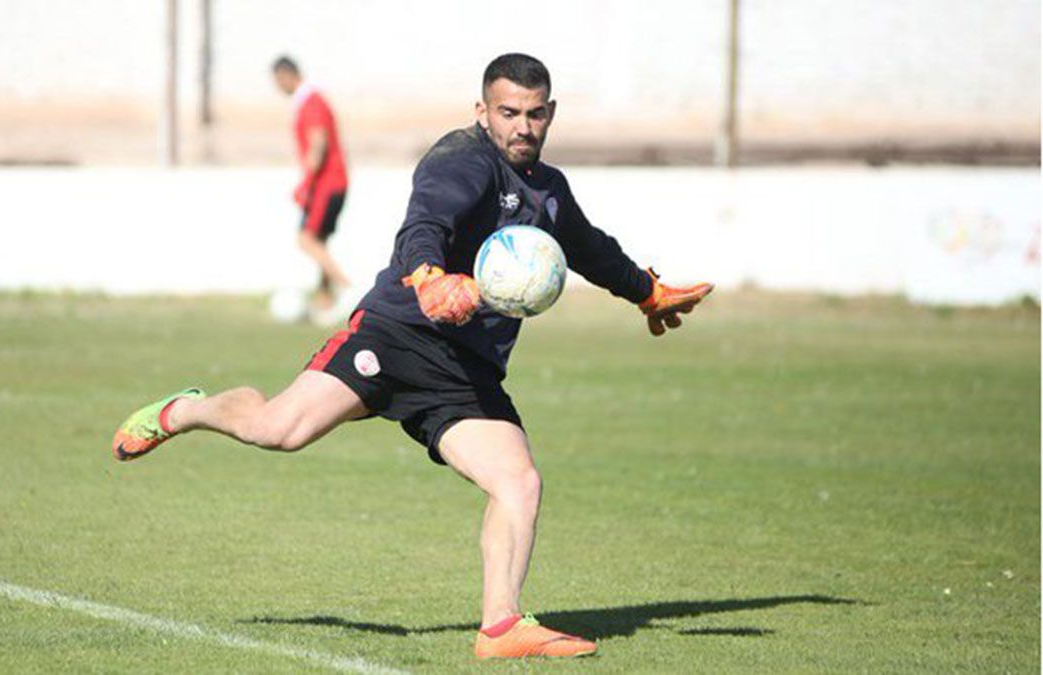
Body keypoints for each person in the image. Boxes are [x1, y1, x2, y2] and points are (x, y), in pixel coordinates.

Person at [113, 53, 713, 659]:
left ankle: (501, 627)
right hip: (396, 336)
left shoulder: (549, 190)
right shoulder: (461, 159)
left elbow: (588, 248)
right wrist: (428, 276)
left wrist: (647, 292)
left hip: (465, 371)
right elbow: (426, 221)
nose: (522, 126)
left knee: (518, 481)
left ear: (550, 113)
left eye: (534, 114)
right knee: (278, 430)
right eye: (508, 113)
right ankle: (185, 411)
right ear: (482, 111)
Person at [271, 55, 351, 318]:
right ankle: (325, 299)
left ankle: (348, 287)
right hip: (330, 181)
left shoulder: (311, 101)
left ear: (286, 76)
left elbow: (318, 142)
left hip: (327, 182)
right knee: (319, 240)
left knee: (306, 240)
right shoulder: (309, 100)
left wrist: (306, 182)